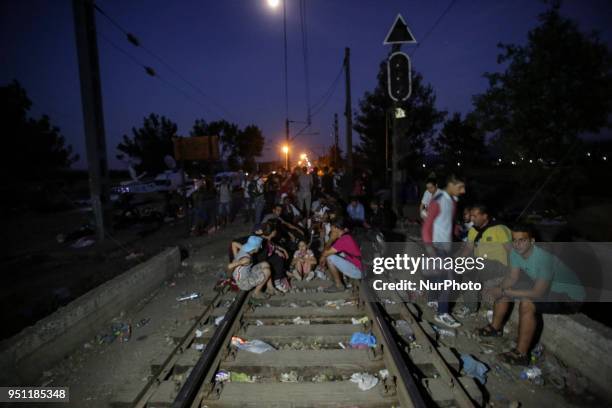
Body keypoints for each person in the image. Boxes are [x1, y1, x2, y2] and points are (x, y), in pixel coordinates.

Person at [478, 224, 585, 365]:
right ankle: (495, 328)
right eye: (514, 240)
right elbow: (512, 278)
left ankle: (521, 355)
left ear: (532, 241)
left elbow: (537, 292)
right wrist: (499, 289)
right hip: (549, 288)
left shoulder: (544, 258)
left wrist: (504, 290)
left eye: (522, 240)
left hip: (569, 297)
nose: (517, 244)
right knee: (504, 287)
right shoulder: (515, 253)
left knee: (527, 303)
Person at [421, 174, 466, 328]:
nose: (463, 191)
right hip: (436, 246)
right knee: (449, 279)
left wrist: (456, 229)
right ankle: (442, 313)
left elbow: (449, 221)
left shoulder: (452, 201)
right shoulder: (438, 200)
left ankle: (433, 300)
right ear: (451, 185)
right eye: (460, 187)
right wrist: (429, 247)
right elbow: (427, 225)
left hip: (445, 246)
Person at [456, 204, 512, 317]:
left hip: (499, 265)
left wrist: (511, 273)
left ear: (485, 216)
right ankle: (469, 304)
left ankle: (470, 307)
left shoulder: (500, 229)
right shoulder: (473, 230)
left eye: (475, 216)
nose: (471, 219)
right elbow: (468, 248)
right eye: (471, 216)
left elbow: (511, 251)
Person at [320, 218, 363, 292]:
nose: (331, 230)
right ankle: (344, 279)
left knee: (330, 257)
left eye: (332, 228)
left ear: (336, 228)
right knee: (337, 254)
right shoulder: (348, 235)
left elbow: (325, 253)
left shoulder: (343, 240)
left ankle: (338, 286)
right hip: (362, 267)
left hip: (359, 271)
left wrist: (331, 239)